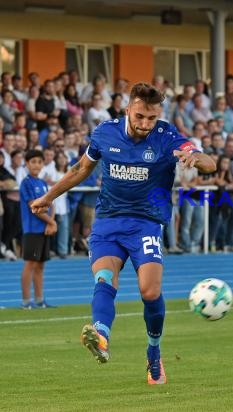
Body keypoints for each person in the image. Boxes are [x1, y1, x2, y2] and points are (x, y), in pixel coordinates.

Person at [31, 82, 216, 385]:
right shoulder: (105, 132)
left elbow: (209, 162)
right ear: (128, 109)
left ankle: (154, 353)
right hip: (108, 222)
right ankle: (101, 337)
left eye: (151, 118)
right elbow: (81, 169)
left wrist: (196, 160)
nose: (145, 124)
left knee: (150, 292)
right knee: (104, 278)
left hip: (146, 223)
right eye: (140, 116)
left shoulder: (167, 136)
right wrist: (49, 196)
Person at [19, 150, 58, 309]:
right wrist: (51, 222)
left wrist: (51, 221)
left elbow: (51, 203)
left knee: (41, 265)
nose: (36, 165)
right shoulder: (26, 183)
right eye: (33, 161)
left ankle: (39, 300)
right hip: (32, 230)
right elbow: (33, 206)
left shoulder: (42, 183)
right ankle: (26, 301)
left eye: (39, 162)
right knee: (30, 264)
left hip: (44, 229)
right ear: (27, 164)